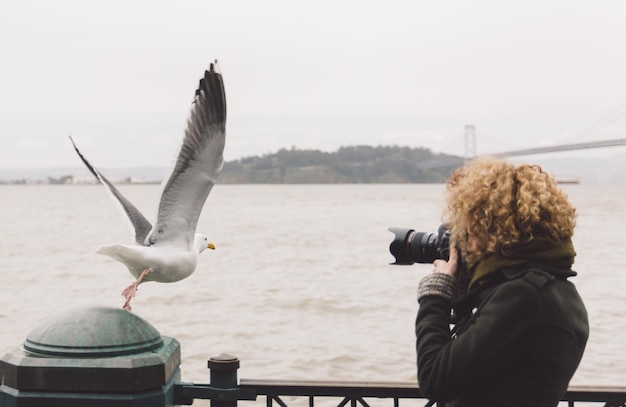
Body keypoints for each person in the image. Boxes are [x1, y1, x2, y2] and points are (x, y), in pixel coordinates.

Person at [415, 158, 589, 406]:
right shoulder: (554, 289)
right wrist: (468, 287)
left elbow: (435, 379)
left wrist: (437, 291)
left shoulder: (525, 296)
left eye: (469, 230)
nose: (466, 242)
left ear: (493, 230)